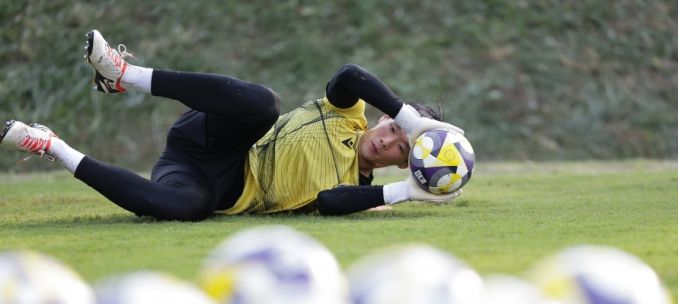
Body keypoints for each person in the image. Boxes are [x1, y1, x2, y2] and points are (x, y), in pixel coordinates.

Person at [1, 30, 464, 220]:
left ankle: (52, 145)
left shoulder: (361, 193)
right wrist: (413, 119)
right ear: (386, 119)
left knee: (188, 209)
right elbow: (349, 76)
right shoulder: (348, 111)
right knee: (264, 104)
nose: (388, 144)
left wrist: (407, 192)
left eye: (402, 152)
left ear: (401, 166)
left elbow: (328, 200)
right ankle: (123, 75)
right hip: (218, 135)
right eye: (395, 132)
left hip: (210, 184)